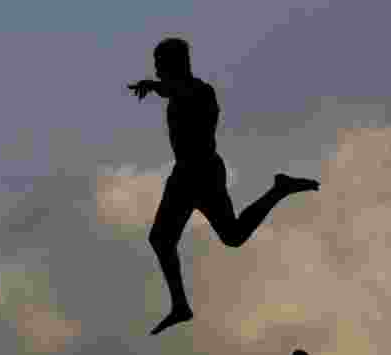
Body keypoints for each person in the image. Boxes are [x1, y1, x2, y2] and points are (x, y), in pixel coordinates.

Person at [128, 38, 320, 335]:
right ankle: (180, 305)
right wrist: (156, 87)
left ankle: (279, 189)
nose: (156, 70)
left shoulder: (200, 91)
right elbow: (172, 90)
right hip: (184, 176)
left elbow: (180, 90)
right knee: (162, 239)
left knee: (232, 236)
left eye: (159, 64)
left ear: (174, 64)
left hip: (203, 175)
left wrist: (154, 86)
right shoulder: (177, 91)